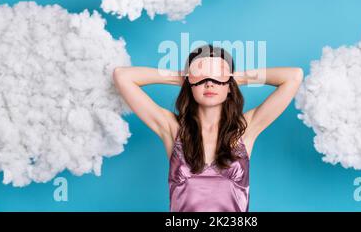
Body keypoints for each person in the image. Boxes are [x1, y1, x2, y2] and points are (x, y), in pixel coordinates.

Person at [113, 44, 303, 211]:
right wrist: (181, 77)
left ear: (229, 86)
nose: (210, 82)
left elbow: (294, 77)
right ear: (190, 83)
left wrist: (237, 78)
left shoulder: (245, 129)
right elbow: (122, 76)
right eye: (201, 77)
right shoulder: (172, 129)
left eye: (218, 76)